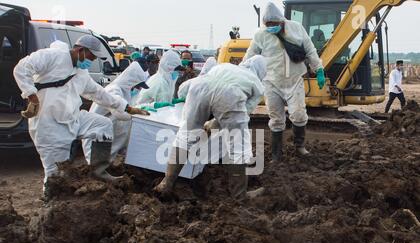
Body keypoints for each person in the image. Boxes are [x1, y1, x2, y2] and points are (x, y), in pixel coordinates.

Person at [13, 35, 137, 199]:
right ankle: (50, 204)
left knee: (103, 125)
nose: (91, 62)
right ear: (80, 50)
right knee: (56, 174)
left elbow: (98, 93)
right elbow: (21, 69)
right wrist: (31, 95)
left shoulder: (81, 73)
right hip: (49, 125)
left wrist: (125, 107)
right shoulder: (52, 56)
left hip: (73, 118)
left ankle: (98, 171)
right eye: (91, 57)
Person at [154, 55, 267, 201]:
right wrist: (217, 123)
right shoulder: (257, 84)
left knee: (185, 137)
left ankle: (166, 184)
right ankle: (240, 197)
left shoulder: (224, 66)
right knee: (238, 146)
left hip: (200, 87)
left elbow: (187, 88)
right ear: (261, 72)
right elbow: (245, 109)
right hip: (230, 94)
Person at [243, 1, 325, 161]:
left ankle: (299, 146)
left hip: (294, 80)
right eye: (268, 24)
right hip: (271, 82)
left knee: (299, 114)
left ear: (281, 20)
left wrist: (319, 69)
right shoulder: (261, 34)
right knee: (276, 118)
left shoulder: (296, 28)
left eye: (274, 23)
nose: (271, 26)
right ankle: (276, 153)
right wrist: (240, 73)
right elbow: (249, 56)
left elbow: (310, 49)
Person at [82, 61, 150, 163]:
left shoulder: (124, 91)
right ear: (130, 81)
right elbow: (121, 114)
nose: (138, 89)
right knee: (95, 166)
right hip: (97, 136)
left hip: (105, 138)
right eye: (137, 85)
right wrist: (135, 113)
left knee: (102, 165)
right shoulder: (114, 89)